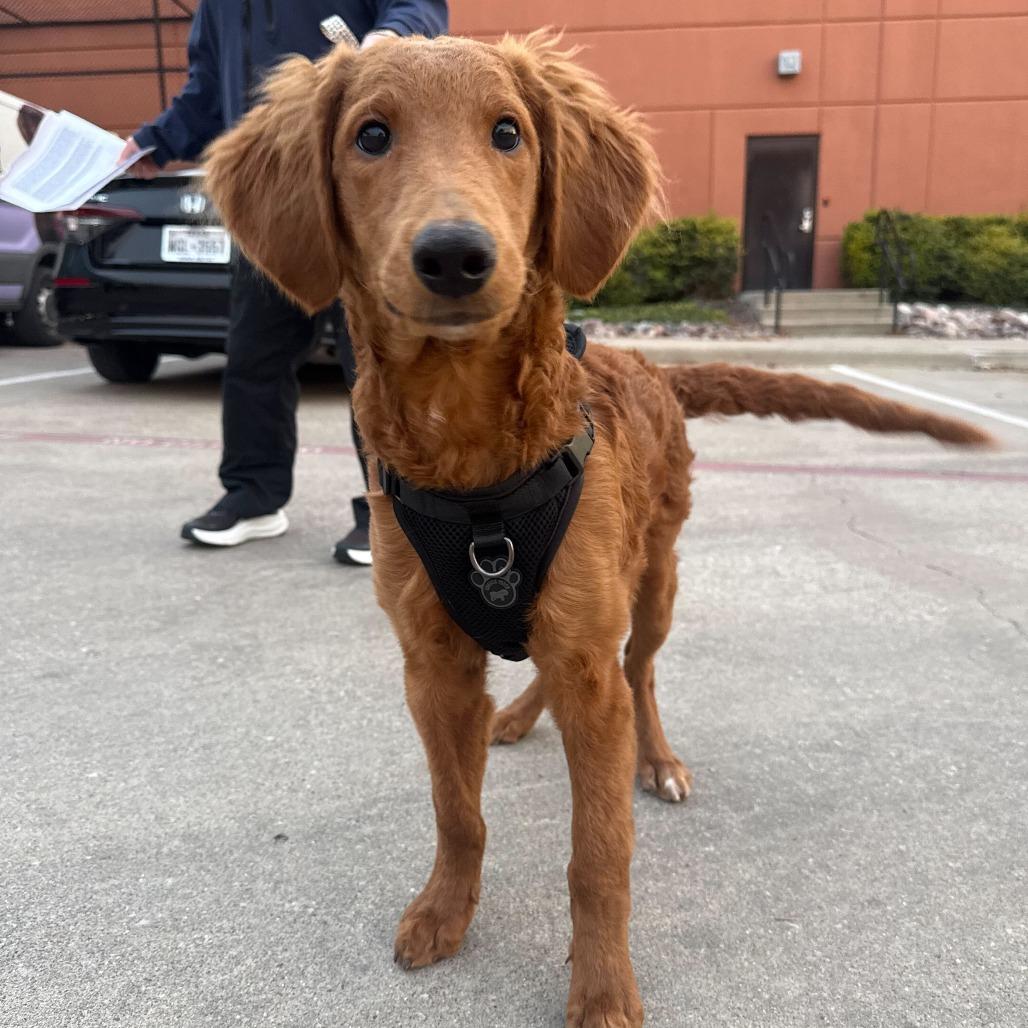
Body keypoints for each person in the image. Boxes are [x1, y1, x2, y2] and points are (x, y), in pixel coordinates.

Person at [120, 1, 448, 563]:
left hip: (360, 199)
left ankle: (393, 506)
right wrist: (154, 142)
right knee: (253, 356)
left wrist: (389, 39)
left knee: (374, 359)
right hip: (274, 206)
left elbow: (418, 7)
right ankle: (252, 494)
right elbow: (205, 93)